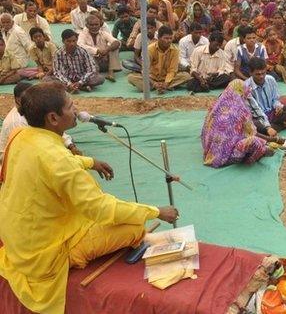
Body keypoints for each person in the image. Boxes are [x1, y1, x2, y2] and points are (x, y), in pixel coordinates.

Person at [0, 81, 179, 313]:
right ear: (53, 118)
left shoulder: (20, 135)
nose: (76, 110)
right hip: (45, 252)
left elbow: (51, 161)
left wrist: (91, 162)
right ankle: (72, 257)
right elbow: (102, 209)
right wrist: (156, 211)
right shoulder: (58, 159)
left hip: (18, 238)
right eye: (71, 106)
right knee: (134, 227)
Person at [0, 81, 80, 164]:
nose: (76, 110)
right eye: (70, 107)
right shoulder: (18, 122)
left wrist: (70, 146)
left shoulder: (33, 113)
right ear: (18, 100)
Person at [201, 79, 274, 168]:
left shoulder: (215, 105)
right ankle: (252, 158)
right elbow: (251, 133)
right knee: (255, 142)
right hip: (226, 156)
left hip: (209, 150)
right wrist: (270, 141)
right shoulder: (241, 110)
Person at [127, 26, 191, 93]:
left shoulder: (175, 50)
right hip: (152, 78)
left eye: (170, 38)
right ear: (159, 38)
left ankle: (160, 86)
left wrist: (166, 83)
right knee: (131, 77)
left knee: (186, 76)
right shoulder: (149, 49)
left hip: (167, 78)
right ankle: (162, 86)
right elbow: (145, 70)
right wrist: (154, 83)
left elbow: (172, 70)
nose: (169, 41)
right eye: (166, 38)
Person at [244, 57, 286, 134]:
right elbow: (255, 110)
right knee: (252, 124)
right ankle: (280, 125)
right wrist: (268, 127)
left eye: (263, 73)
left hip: (272, 113)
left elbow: (275, 99)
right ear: (250, 73)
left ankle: (275, 126)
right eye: (258, 74)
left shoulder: (271, 79)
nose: (261, 76)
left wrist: (278, 107)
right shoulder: (246, 87)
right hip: (258, 117)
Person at [77, 15, 121, 82]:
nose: (94, 27)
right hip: (91, 62)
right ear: (87, 25)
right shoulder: (82, 34)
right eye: (91, 25)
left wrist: (107, 50)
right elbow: (80, 45)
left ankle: (111, 72)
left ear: (100, 25)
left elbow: (117, 42)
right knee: (83, 52)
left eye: (96, 24)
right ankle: (95, 73)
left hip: (104, 61)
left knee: (114, 48)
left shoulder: (104, 33)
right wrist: (97, 51)